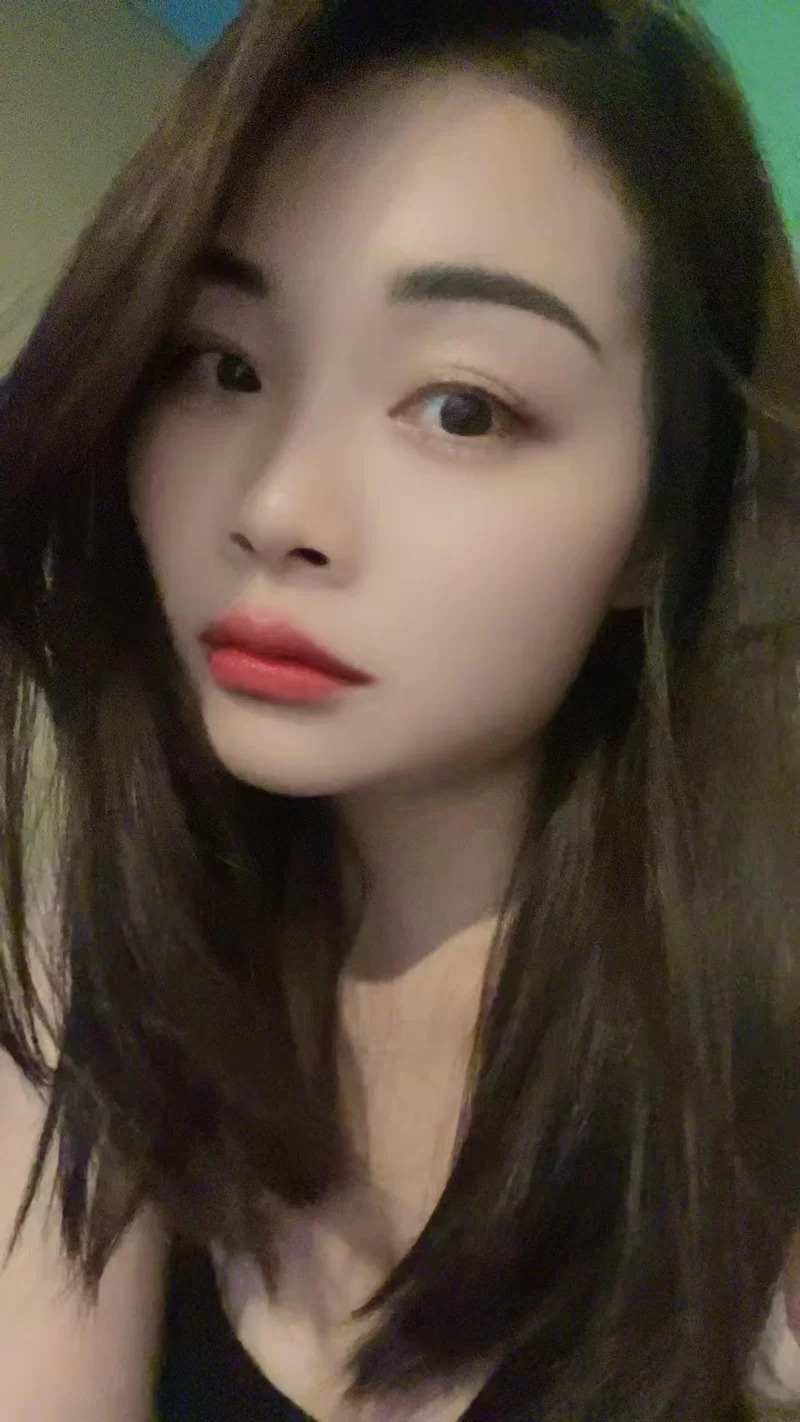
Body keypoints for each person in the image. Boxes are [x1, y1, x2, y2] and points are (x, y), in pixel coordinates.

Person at [0, 0, 798, 1418]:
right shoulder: (95, 966)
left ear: (665, 523)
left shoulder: (753, 1074)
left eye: (463, 408)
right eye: (224, 365)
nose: (276, 505)